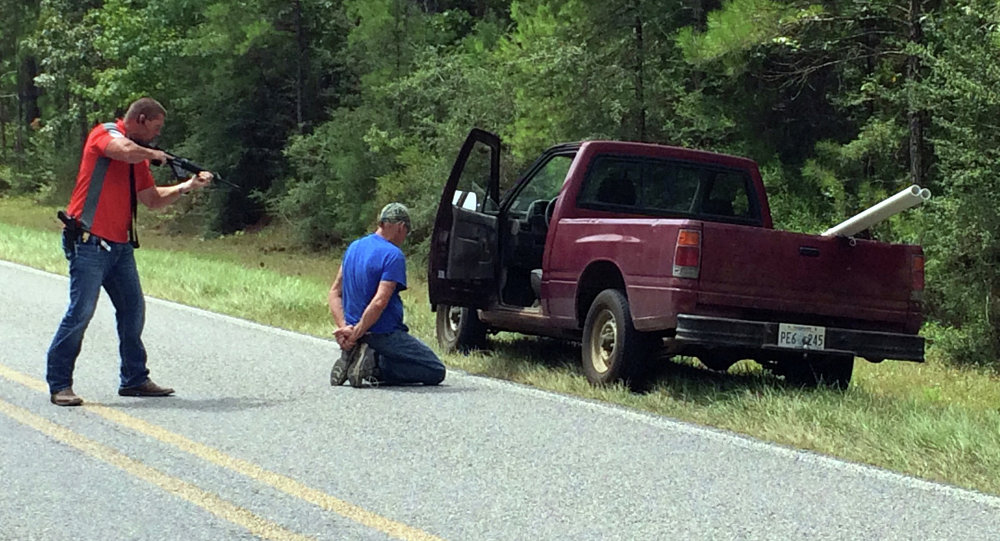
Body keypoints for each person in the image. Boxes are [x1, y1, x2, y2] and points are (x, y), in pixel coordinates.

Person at [46, 97, 213, 406]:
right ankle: (60, 384)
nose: (157, 135)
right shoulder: (105, 134)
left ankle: (134, 379)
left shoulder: (137, 159)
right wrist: (154, 155)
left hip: (120, 247)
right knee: (80, 312)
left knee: (133, 310)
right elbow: (120, 149)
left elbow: (151, 198)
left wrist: (187, 185)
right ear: (141, 118)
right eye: (156, 127)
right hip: (88, 241)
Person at [328, 203, 446, 388]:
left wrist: (345, 329)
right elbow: (380, 301)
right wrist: (357, 333)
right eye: (406, 232)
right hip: (383, 332)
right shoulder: (393, 255)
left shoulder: (354, 247)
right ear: (401, 227)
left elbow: (335, 292)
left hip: (353, 329)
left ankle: (358, 355)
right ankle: (374, 367)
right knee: (435, 370)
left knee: (401, 356)